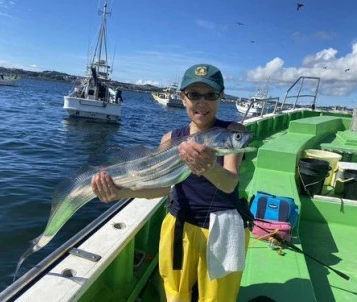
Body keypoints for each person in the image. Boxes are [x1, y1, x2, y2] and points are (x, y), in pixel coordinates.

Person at [91, 63, 249, 301]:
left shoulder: (232, 133)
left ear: (221, 97)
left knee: (218, 297)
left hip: (222, 228)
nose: (202, 102)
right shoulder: (171, 138)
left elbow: (229, 183)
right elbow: (163, 186)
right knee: (175, 293)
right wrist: (119, 193)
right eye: (194, 95)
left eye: (210, 95)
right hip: (179, 225)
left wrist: (208, 168)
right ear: (183, 98)